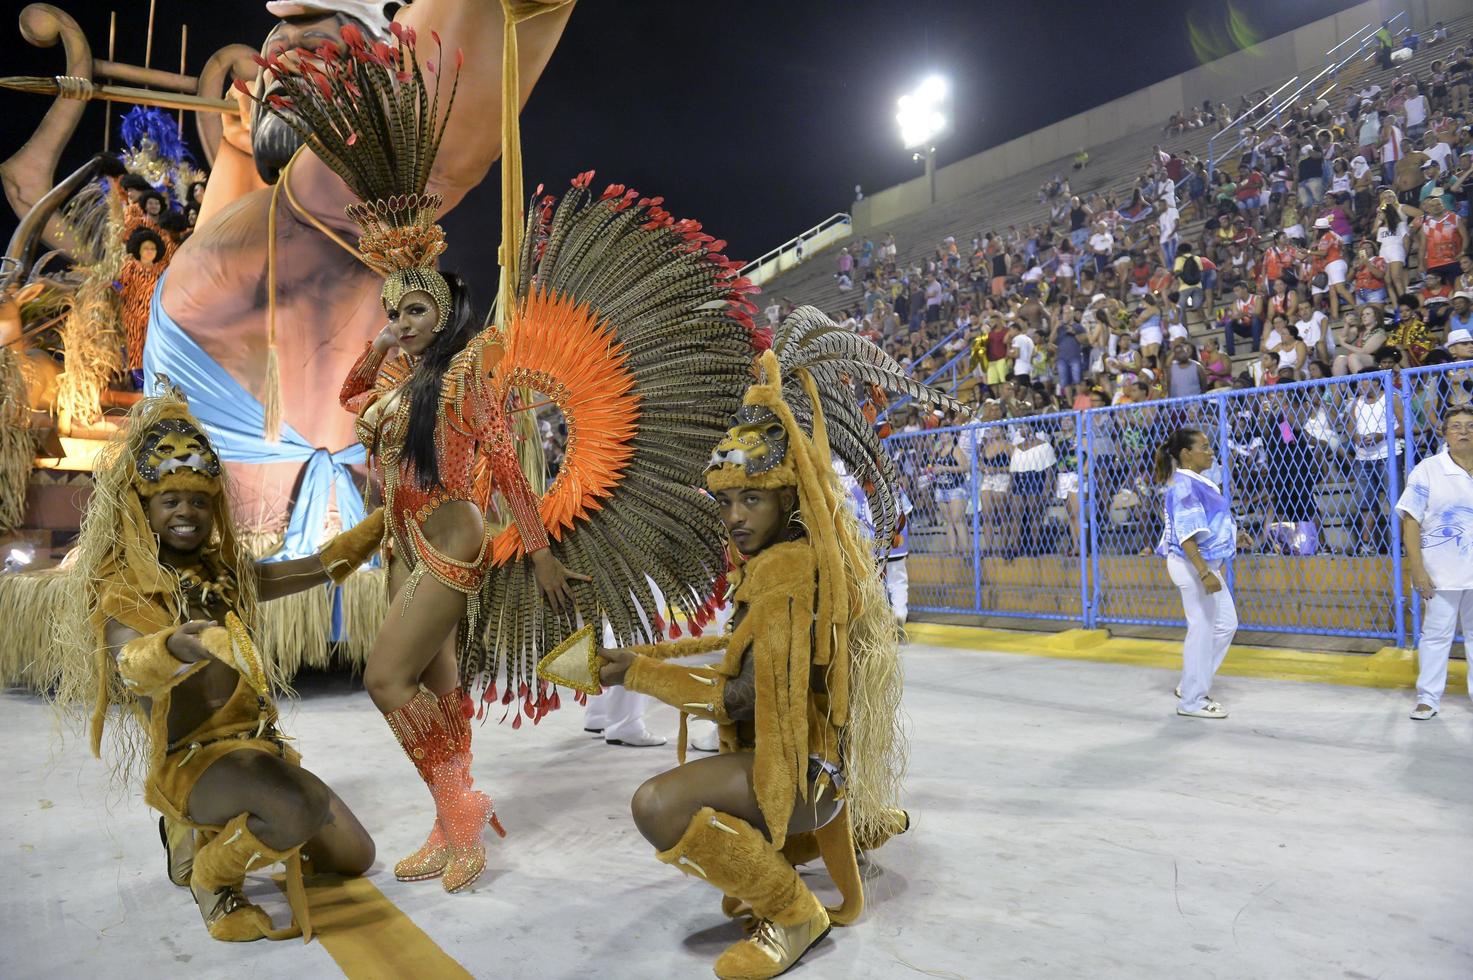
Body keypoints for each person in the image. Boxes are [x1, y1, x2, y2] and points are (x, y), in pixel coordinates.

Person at [596, 313, 942, 980]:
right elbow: (752, 660)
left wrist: (638, 671)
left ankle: (791, 913)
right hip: (817, 766)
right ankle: (854, 830)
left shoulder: (787, 576)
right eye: (727, 502)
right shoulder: (794, 558)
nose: (734, 517)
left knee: (656, 806)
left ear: (789, 497)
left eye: (751, 499)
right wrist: (658, 657)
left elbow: (739, 694)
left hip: (805, 776)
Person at [55, 390, 380, 941]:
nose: (187, 512)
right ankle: (210, 874)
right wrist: (180, 646)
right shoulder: (124, 589)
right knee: (299, 806)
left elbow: (309, 568)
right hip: (191, 764)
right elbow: (130, 664)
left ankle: (220, 830)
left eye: (199, 501)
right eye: (170, 501)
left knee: (355, 856)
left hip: (254, 749)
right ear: (143, 508)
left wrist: (381, 526)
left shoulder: (225, 573)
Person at [1155, 427, 1238, 719]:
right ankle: (1192, 700)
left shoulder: (1198, 482)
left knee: (1225, 624)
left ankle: (1191, 681)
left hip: (1203, 564)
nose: (1211, 451)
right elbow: (1186, 535)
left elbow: (1210, 524)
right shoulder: (1184, 486)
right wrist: (1204, 573)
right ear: (1186, 454)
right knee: (1201, 629)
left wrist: (1235, 537)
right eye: (1204, 447)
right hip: (1192, 566)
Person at [1396, 407, 1473, 720]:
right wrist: (1417, 569)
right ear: (1445, 434)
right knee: (1436, 636)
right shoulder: (1428, 470)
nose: (1464, 431)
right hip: (1441, 573)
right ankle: (1428, 698)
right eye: (1456, 426)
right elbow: (1410, 521)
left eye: (1470, 426)